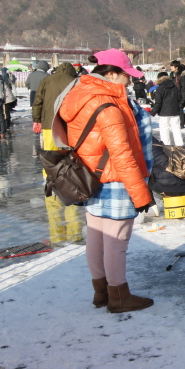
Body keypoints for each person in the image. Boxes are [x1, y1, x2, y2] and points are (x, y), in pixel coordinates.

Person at [59, 49, 156, 313]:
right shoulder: (109, 105)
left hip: (92, 177)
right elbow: (122, 154)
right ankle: (119, 296)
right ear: (111, 74)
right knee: (116, 241)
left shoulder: (81, 94)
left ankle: (101, 293)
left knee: (97, 236)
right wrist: (141, 194)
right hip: (117, 179)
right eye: (126, 75)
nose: (129, 80)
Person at [31, 62, 84, 245]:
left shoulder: (47, 80)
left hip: (48, 126)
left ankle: (50, 180)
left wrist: (36, 119)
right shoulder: (76, 81)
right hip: (69, 127)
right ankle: (69, 180)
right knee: (68, 157)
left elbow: (38, 100)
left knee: (49, 157)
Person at [150, 71, 183, 146]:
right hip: (175, 111)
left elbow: (158, 103)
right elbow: (180, 98)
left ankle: (166, 145)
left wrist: (153, 113)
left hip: (163, 112)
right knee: (176, 128)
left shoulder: (160, 88)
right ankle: (180, 144)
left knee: (164, 129)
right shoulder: (175, 87)